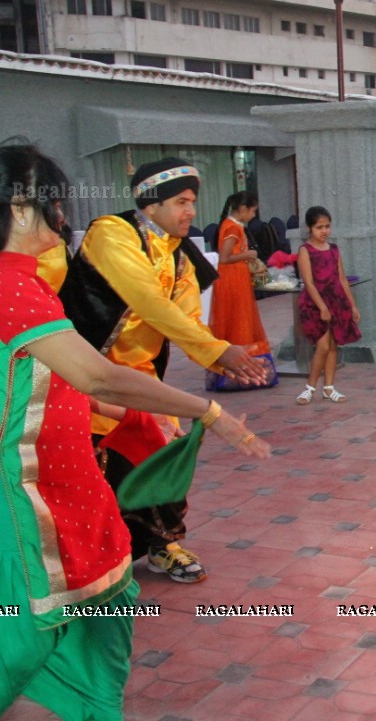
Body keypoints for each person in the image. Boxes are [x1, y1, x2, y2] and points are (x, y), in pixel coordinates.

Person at [0, 144, 268, 720]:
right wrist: (208, 410)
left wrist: (142, 414)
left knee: (103, 614)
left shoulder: (33, 280)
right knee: (22, 633)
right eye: (54, 202)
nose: (63, 216)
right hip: (26, 496)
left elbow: (74, 382)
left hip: (77, 458)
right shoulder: (26, 279)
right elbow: (97, 371)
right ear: (21, 209)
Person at [60, 156, 269, 584]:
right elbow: (149, 303)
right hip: (82, 376)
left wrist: (220, 356)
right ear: (150, 205)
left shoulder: (181, 258)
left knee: (161, 460)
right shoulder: (112, 233)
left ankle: (162, 546)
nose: (191, 211)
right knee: (88, 477)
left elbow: (188, 322)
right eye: (181, 202)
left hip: (140, 384)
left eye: (193, 201)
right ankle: (90, 564)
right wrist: (216, 351)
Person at [207, 190, 277, 391]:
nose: (254, 215)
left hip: (236, 279)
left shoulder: (233, 226)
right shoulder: (232, 228)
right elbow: (225, 257)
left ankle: (242, 371)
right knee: (239, 321)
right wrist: (249, 254)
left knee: (239, 319)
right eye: (252, 211)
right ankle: (242, 372)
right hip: (232, 281)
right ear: (243, 209)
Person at [295, 205, 362, 404]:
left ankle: (329, 388)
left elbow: (342, 279)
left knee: (333, 345)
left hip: (336, 301)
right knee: (322, 346)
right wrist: (322, 307)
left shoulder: (333, 249)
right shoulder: (305, 251)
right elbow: (308, 282)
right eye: (319, 227)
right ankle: (309, 387)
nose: (324, 231)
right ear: (310, 228)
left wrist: (352, 305)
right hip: (314, 303)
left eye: (327, 226)